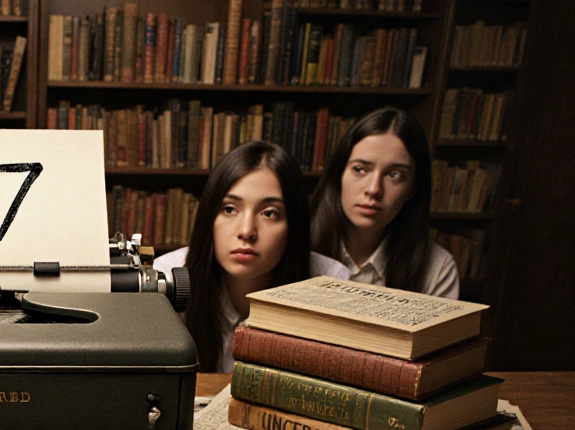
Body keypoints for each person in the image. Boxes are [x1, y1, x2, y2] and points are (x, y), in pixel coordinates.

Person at [153, 141, 348, 373]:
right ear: (209, 217)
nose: (246, 231)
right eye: (229, 209)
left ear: (294, 225)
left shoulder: (330, 284)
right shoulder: (166, 278)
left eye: (269, 213)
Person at [310, 106, 459, 298]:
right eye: (360, 169)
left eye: (394, 175)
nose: (374, 189)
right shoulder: (293, 243)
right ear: (339, 174)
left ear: (412, 188)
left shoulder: (437, 269)